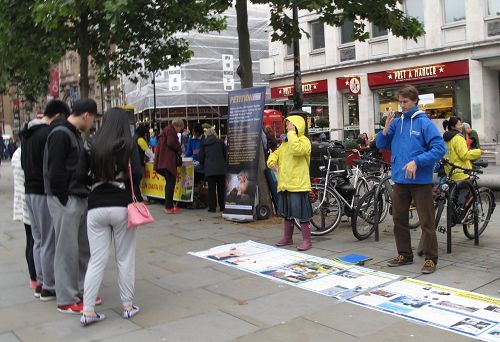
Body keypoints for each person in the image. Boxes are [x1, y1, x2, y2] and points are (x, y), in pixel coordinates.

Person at [80, 108, 143, 326]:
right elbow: (137, 172)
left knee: (96, 260)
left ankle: (87, 310)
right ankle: (127, 306)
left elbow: (80, 176)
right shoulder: (129, 143)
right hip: (122, 205)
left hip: (95, 206)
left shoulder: (91, 144)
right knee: (124, 258)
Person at [376, 85, 446, 274]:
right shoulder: (397, 123)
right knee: (399, 219)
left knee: (426, 221)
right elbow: (381, 145)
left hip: (420, 181)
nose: (402, 105)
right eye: (400, 102)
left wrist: (417, 161)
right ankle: (404, 254)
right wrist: (384, 130)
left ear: (415, 101)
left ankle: (431, 258)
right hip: (400, 179)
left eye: (405, 102)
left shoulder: (424, 123)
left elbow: (440, 148)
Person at [44, 98, 99, 314]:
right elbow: (54, 170)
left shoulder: (70, 133)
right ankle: (66, 298)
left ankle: (82, 289)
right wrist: (64, 198)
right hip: (66, 198)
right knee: (66, 248)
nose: (93, 122)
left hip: (75, 196)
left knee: (81, 247)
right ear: (86, 115)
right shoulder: (60, 134)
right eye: (93, 117)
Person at [21, 100, 70, 300]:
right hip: (42, 191)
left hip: (29, 191)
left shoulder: (28, 135)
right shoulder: (47, 134)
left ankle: (41, 280)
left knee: (38, 239)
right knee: (49, 240)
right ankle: (49, 285)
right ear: (58, 115)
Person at [267, 115, 313, 251]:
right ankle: (288, 238)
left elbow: (296, 150)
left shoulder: (304, 141)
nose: (286, 127)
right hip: (285, 184)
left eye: (289, 125)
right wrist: (272, 162)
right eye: (287, 125)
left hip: (298, 185)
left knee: (303, 214)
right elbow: (275, 154)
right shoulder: (285, 144)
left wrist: (292, 133)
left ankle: (307, 240)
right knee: (287, 213)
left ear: (296, 126)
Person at [11, 144, 37, 289]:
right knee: (35, 241)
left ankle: (32, 277)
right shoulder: (27, 152)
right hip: (29, 200)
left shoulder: (17, 153)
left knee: (30, 240)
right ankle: (35, 276)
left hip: (21, 201)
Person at [154, 118, 184, 214]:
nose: (180, 130)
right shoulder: (171, 130)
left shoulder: (165, 131)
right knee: (171, 183)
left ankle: (168, 205)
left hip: (162, 160)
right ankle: (169, 207)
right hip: (168, 161)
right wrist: (179, 148)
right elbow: (171, 143)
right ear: (178, 125)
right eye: (180, 128)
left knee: (169, 183)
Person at [199, 127, 227, 212]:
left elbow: (201, 158)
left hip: (210, 169)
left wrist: (203, 164)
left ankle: (212, 207)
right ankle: (222, 206)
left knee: (211, 189)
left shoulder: (204, 144)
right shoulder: (220, 142)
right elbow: (226, 154)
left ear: (207, 134)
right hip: (221, 169)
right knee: (221, 189)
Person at [133, 125, 154, 203]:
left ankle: (135, 198)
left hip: (133, 162)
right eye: (145, 133)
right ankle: (140, 200)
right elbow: (147, 151)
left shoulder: (133, 138)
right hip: (139, 163)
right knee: (137, 182)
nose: (146, 134)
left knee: (134, 182)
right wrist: (154, 157)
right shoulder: (140, 139)